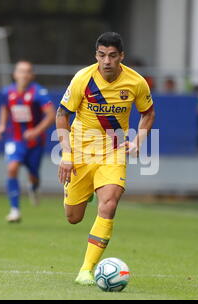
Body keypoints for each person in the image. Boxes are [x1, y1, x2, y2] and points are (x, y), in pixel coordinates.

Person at [56, 32, 155, 285]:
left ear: (121, 56)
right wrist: (67, 155)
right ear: (96, 55)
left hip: (113, 152)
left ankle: (86, 270)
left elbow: (148, 113)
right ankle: (86, 191)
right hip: (79, 151)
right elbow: (61, 115)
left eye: (112, 56)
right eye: (102, 55)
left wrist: (138, 141)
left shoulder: (136, 82)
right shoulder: (83, 78)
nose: (107, 61)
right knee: (73, 217)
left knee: (109, 205)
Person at [0, 60, 56, 223]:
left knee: (33, 175)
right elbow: (4, 108)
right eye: (21, 71)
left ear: (32, 75)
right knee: (12, 167)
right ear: (15, 74)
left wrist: (35, 131)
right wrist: (1, 125)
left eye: (27, 71)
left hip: (35, 142)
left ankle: (34, 187)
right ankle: (14, 210)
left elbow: (51, 115)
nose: (24, 75)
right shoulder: (7, 92)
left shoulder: (39, 93)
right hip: (15, 139)